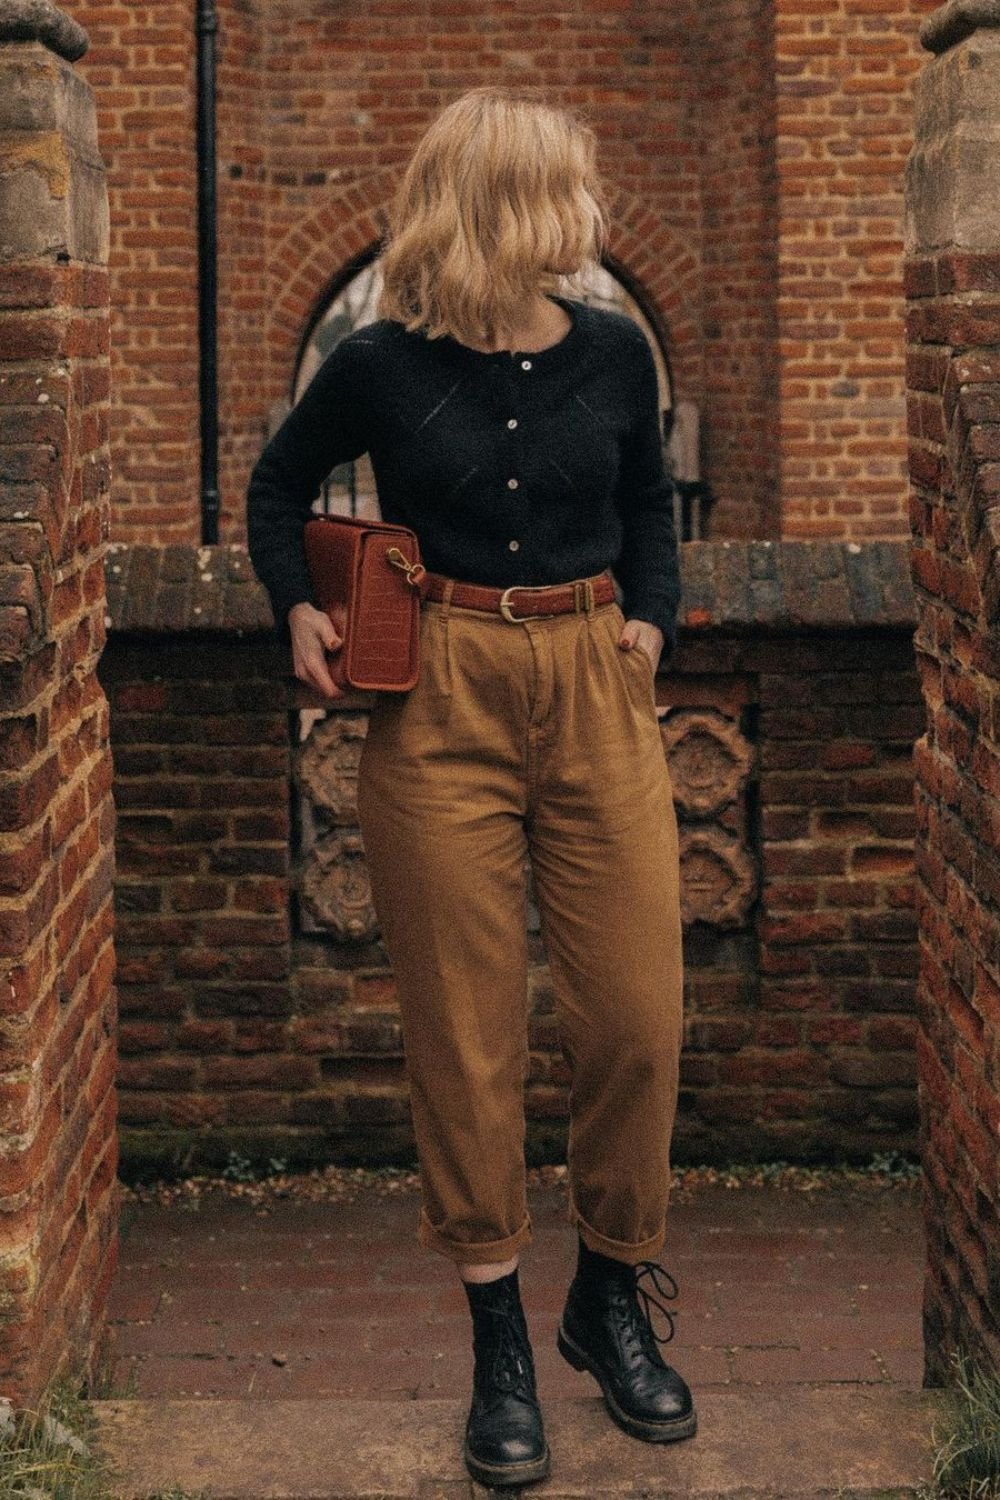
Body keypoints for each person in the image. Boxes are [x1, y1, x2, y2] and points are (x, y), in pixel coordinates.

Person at [246, 84, 693, 1490]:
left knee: (637, 1015)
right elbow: (275, 489)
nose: (588, 210)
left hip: (593, 683)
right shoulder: (379, 365)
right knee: (464, 1032)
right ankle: (499, 1333)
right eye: (566, 184)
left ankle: (606, 1296)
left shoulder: (619, 354)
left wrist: (650, 627)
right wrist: (295, 610)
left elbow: (645, 512)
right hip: (434, 695)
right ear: (500, 199)